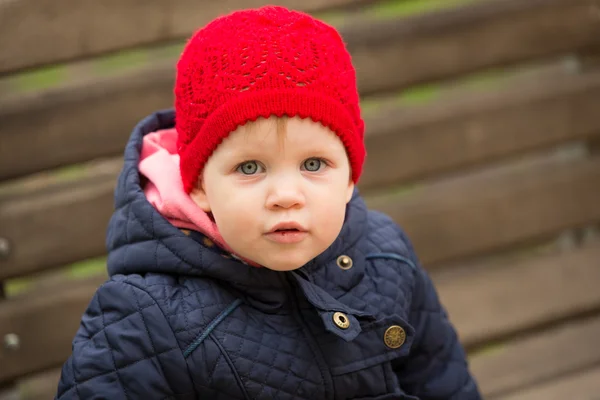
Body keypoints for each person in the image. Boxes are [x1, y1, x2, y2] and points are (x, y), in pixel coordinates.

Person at [55, 6, 481, 400]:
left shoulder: (387, 256)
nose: (285, 196)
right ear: (199, 185)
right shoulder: (144, 318)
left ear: (350, 177)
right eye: (249, 168)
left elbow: (442, 380)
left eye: (313, 163)